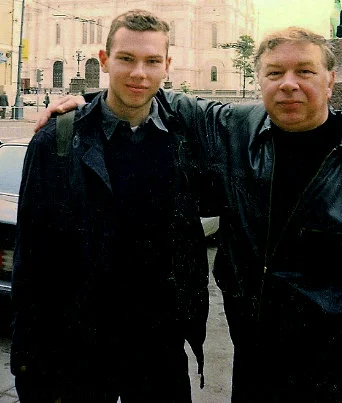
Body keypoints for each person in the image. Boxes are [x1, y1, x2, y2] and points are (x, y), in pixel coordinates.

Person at [34, 25, 342, 403]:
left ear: (330, 80)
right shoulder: (240, 128)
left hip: (336, 360)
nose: (288, 84)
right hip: (255, 351)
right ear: (260, 80)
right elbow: (161, 98)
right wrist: (88, 100)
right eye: (275, 72)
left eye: (305, 71)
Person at [11, 10, 209, 403]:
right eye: (126, 59)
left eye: (152, 61)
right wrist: (26, 360)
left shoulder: (185, 138)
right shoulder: (55, 140)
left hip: (157, 347)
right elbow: (30, 257)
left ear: (167, 65)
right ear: (104, 61)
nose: (139, 73)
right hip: (76, 347)